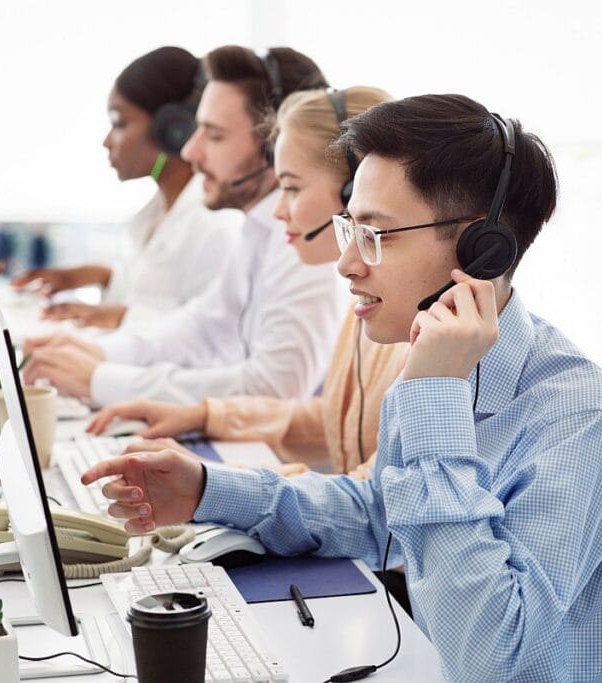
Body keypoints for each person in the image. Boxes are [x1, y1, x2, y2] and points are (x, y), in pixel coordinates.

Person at [81, 95, 602, 681]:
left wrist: (434, 398)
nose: (346, 264)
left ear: (480, 251)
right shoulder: (438, 365)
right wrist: (209, 490)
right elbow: (378, 515)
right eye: (348, 229)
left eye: (375, 235)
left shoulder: (581, 421)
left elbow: (495, 663)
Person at [87, 86, 408, 479]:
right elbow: (336, 422)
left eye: (291, 188)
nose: (277, 210)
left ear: (353, 192)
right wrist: (205, 416)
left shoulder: (412, 327)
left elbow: (371, 500)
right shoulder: (368, 306)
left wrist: (212, 480)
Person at [22, 47, 348, 406]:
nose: (190, 151)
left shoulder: (303, 240)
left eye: (214, 135)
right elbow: (202, 326)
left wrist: (102, 380)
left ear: (274, 146)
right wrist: (98, 354)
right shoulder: (257, 229)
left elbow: (276, 389)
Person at [11, 46, 239, 329]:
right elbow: (150, 294)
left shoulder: (214, 226)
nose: (107, 141)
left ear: (171, 129)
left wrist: (111, 317)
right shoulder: (158, 210)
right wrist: (94, 275)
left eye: (119, 123)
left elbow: (206, 337)